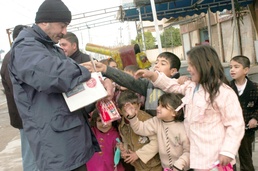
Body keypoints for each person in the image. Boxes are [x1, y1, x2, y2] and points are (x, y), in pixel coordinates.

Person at [7, 0, 109, 170]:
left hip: (67, 139)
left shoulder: (48, 47)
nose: (64, 32)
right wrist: (83, 70)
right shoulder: (26, 47)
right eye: (62, 26)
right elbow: (53, 76)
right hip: (57, 147)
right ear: (45, 21)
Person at [134, 45, 245, 171]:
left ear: (206, 65)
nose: (189, 69)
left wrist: (228, 151)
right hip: (198, 158)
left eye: (192, 65)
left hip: (217, 160)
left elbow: (235, 124)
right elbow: (172, 86)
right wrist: (152, 75)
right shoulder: (192, 87)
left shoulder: (223, 92)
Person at [83, 52, 181, 116]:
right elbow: (130, 81)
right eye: (156, 62)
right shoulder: (148, 84)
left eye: (163, 64)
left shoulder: (178, 88)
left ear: (173, 71)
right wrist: (106, 69)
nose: (157, 66)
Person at [1, 24, 39, 171]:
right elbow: (20, 90)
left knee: (33, 155)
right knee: (31, 157)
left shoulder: (12, 56)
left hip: (24, 116)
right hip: (25, 117)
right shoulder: (15, 57)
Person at [124, 93, 190, 171]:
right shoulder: (156, 121)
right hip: (166, 168)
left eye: (163, 106)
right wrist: (132, 117)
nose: (158, 108)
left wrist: (179, 164)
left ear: (174, 112)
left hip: (182, 169)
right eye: (158, 104)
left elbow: (189, 152)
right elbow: (140, 128)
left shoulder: (183, 128)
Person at [117, 90, 162, 171]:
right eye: (126, 111)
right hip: (138, 166)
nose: (132, 113)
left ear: (139, 105)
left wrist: (138, 154)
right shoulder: (122, 126)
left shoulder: (146, 120)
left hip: (153, 166)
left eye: (134, 109)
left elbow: (157, 142)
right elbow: (126, 141)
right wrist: (124, 150)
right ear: (120, 111)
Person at [229, 55, 258, 171]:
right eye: (231, 67)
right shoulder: (226, 87)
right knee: (229, 158)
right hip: (229, 128)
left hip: (246, 130)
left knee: (246, 157)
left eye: (236, 67)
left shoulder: (255, 88)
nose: (232, 70)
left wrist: (255, 118)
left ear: (246, 70)